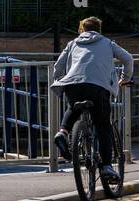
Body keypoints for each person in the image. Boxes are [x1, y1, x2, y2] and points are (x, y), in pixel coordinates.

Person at [51, 16, 134, 182]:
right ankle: (106, 167)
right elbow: (128, 59)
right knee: (103, 125)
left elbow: (57, 67)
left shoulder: (72, 43)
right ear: (99, 30)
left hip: (73, 84)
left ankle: (62, 132)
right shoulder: (107, 43)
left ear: (83, 30)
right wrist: (124, 78)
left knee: (73, 107)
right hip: (98, 87)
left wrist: (61, 79)